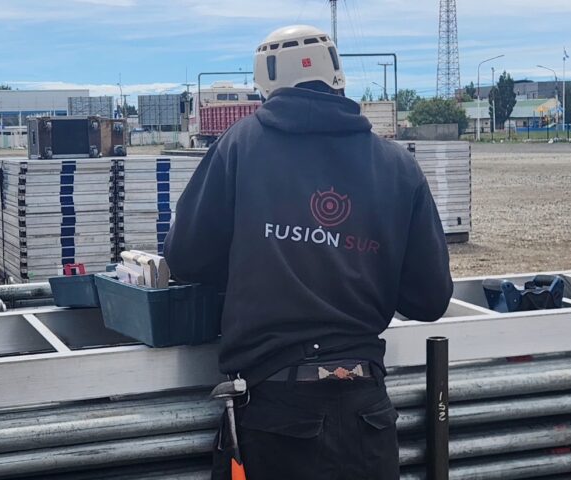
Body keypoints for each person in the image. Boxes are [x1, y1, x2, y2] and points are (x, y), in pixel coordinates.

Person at [164, 24, 453, 480]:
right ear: (337, 75)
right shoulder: (398, 167)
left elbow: (185, 258)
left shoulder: (240, 146)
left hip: (274, 417)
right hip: (367, 418)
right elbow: (429, 300)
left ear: (266, 80)